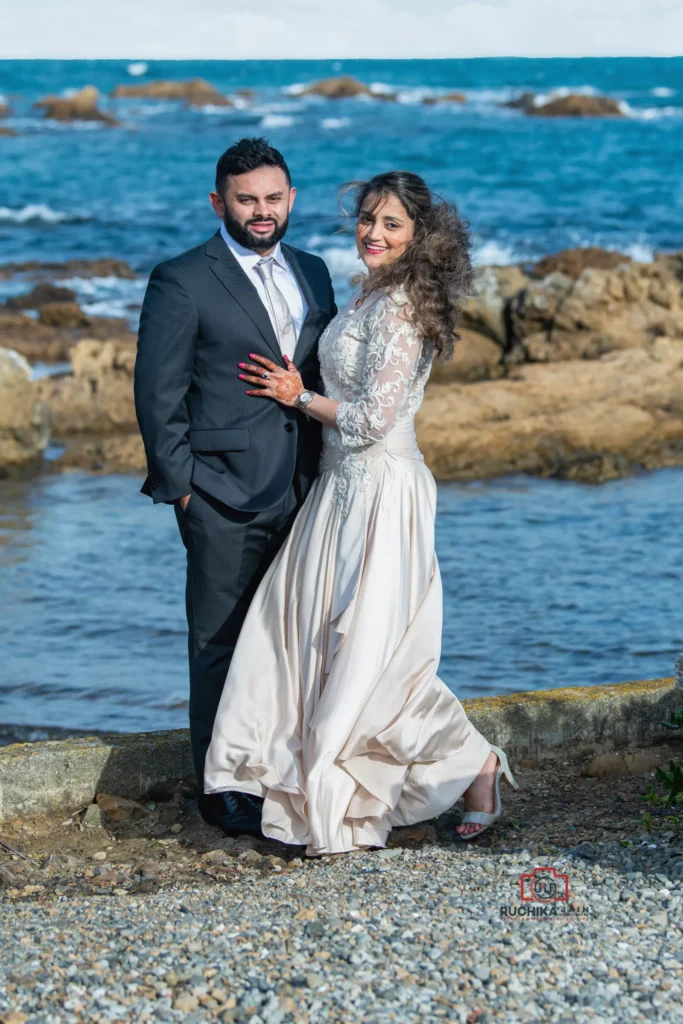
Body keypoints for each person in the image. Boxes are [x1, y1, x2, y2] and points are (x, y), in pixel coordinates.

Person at [204, 170, 517, 854]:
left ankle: (475, 763)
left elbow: (373, 420)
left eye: (391, 225)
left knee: (372, 658)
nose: (373, 234)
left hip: (379, 491)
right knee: (304, 638)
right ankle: (265, 775)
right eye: (367, 220)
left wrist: (294, 394)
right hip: (336, 489)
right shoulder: (371, 293)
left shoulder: (402, 308)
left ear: (418, 237)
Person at [134, 138, 336, 835]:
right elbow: (156, 394)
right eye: (246, 199)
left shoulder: (312, 270)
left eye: (273, 198)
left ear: (290, 200)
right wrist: (182, 489)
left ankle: (278, 766)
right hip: (219, 492)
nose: (261, 211)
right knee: (218, 640)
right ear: (219, 203)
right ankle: (220, 788)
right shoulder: (182, 278)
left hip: (308, 487)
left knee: (291, 637)